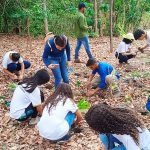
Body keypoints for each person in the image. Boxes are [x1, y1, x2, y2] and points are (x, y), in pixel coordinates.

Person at [85, 103, 150, 150]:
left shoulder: (127, 137)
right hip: (130, 138)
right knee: (103, 136)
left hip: (141, 146)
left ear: (102, 126)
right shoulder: (114, 116)